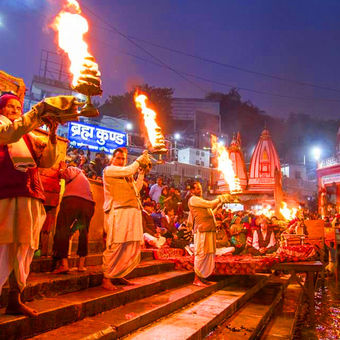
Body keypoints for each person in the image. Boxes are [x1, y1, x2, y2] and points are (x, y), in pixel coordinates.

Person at [0, 93, 79, 317]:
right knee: (3, 245)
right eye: (10, 107)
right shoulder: (6, 129)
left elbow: (46, 162)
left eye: (18, 107)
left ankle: (15, 299)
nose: (15, 111)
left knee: (24, 248)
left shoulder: (26, 136)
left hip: (31, 194)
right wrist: (37, 112)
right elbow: (10, 133)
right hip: (7, 194)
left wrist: (53, 135)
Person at [101, 148, 150, 290]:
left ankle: (118, 273)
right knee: (117, 245)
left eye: (123, 159)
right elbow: (129, 170)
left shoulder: (126, 175)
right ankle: (106, 278)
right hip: (119, 213)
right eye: (118, 158)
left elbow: (137, 189)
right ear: (112, 159)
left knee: (129, 245)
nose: (121, 161)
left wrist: (141, 173)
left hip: (131, 213)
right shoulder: (109, 170)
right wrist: (140, 160)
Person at [52, 162, 95, 273]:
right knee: (84, 232)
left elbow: (66, 175)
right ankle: (81, 265)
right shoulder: (85, 179)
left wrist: (62, 169)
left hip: (72, 201)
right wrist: (72, 230)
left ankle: (64, 264)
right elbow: (79, 223)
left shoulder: (73, 169)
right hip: (89, 204)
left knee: (62, 229)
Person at [188, 182, 229, 286]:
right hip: (202, 231)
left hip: (209, 231)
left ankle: (203, 278)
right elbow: (210, 204)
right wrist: (220, 198)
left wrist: (221, 203)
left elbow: (210, 212)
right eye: (197, 189)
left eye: (200, 188)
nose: (199, 190)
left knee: (208, 255)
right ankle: (196, 279)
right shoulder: (193, 199)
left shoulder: (200, 201)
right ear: (192, 191)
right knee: (201, 254)